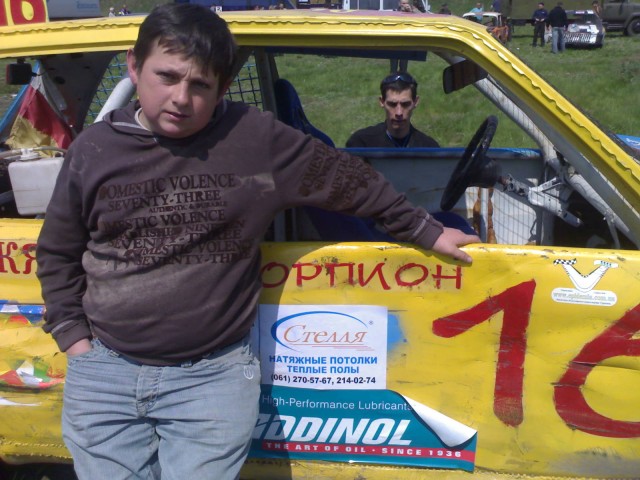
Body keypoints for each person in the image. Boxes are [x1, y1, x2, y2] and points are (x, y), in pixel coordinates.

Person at [36, 4, 479, 480]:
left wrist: (426, 230)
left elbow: (350, 179)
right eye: (166, 76)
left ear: (223, 86)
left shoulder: (254, 139)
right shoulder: (94, 149)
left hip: (211, 379)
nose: (180, 98)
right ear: (133, 65)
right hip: (106, 372)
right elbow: (58, 251)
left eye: (200, 85)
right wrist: (77, 344)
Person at [346, 72, 438, 149]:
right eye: (392, 104)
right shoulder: (361, 143)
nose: (399, 112)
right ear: (382, 102)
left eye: (405, 104)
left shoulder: (429, 148)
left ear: (415, 102)